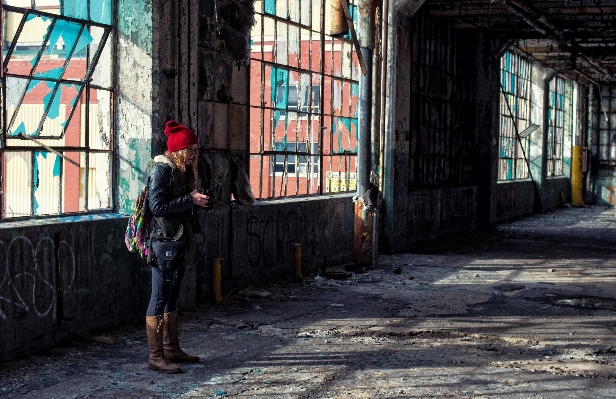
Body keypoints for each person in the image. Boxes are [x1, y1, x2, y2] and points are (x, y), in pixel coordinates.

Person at [144, 120, 210, 373]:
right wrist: (188, 199)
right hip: (164, 242)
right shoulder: (162, 170)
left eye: (194, 148)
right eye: (191, 149)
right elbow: (157, 207)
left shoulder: (181, 171)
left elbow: (178, 204)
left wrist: (198, 202)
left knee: (172, 296)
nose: (194, 153)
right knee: (159, 298)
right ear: (179, 150)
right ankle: (155, 356)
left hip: (178, 240)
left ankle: (172, 349)